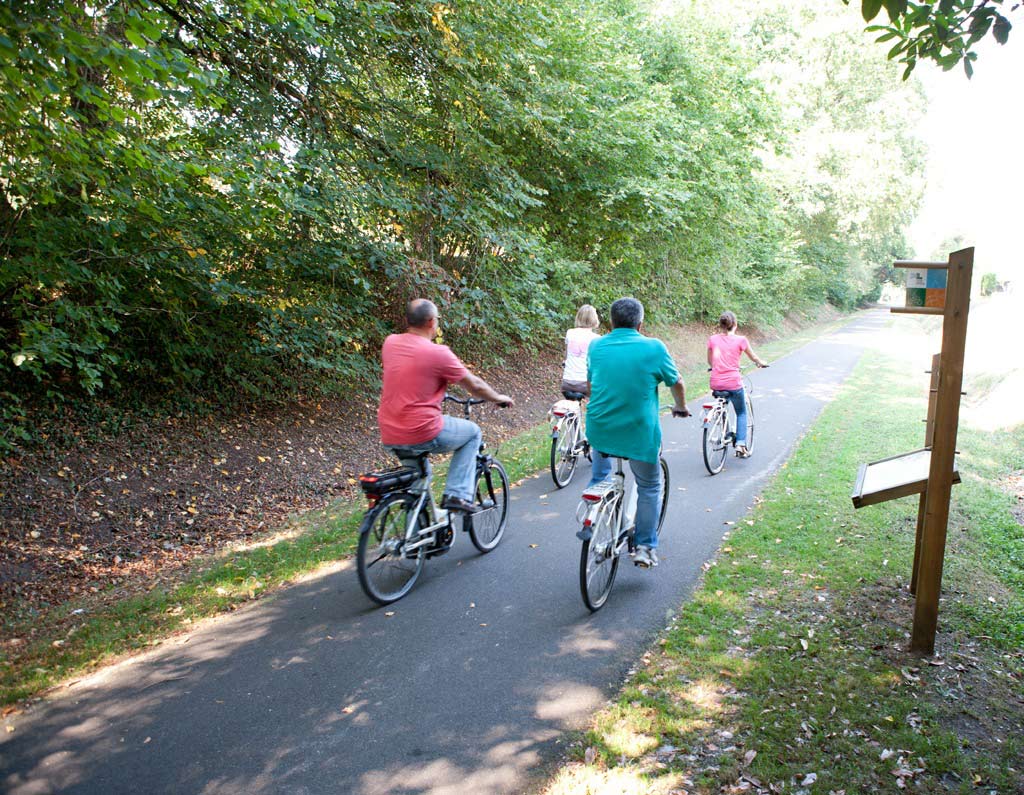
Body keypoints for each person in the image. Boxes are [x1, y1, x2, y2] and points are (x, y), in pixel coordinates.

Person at [377, 299, 514, 514]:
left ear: (407, 320)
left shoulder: (390, 343)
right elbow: (474, 385)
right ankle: (457, 494)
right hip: (422, 429)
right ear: (432, 322)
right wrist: (497, 398)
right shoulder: (437, 353)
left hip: (390, 431)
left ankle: (414, 537)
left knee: (419, 484)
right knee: (472, 433)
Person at [585, 297, 690, 569]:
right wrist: (680, 406)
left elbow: (590, 385)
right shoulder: (653, 347)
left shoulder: (596, 346)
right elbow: (676, 381)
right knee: (649, 485)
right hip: (638, 433)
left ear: (610, 322)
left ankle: (597, 520)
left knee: (601, 477)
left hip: (600, 429)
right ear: (640, 324)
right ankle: (644, 546)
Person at [707, 310, 767, 459]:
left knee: (722, 404)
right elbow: (754, 357)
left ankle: (724, 431)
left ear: (721, 325)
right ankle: (740, 443)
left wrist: (715, 367)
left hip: (716, 382)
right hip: (733, 383)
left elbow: (710, 361)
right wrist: (761, 363)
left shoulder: (713, 339)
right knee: (741, 412)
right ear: (735, 324)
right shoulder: (741, 340)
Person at [561, 304, 600, 397]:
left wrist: (565, 362)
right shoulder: (596, 339)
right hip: (584, 384)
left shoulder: (570, 333)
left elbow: (566, 355)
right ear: (594, 319)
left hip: (567, 382)